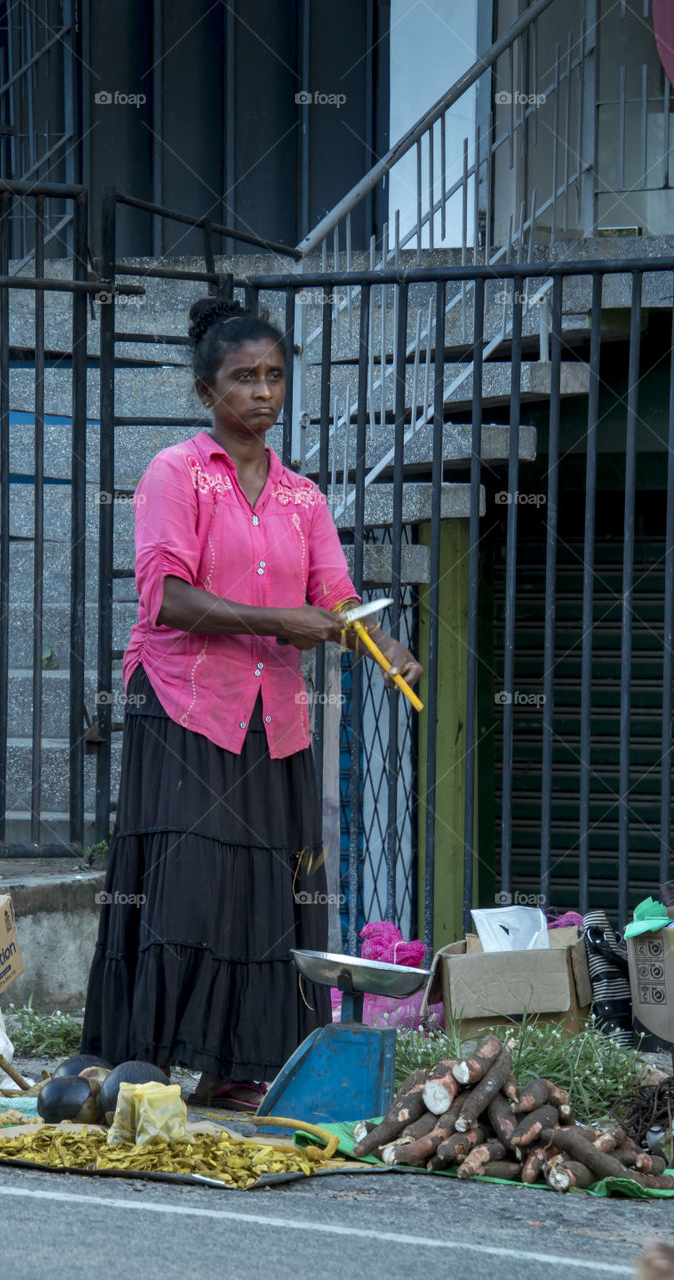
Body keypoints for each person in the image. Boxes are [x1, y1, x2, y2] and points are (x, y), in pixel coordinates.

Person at [80, 296, 422, 1110]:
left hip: (274, 712)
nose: (261, 393)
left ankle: (236, 1066)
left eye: (273, 377)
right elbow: (165, 598)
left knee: (272, 890)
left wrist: (381, 644)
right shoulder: (177, 473)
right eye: (243, 379)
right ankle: (148, 1063)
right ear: (207, 392)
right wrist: (280, 621)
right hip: (183, 701)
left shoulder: (301, 497)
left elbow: (334, 598)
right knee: (186, 882)